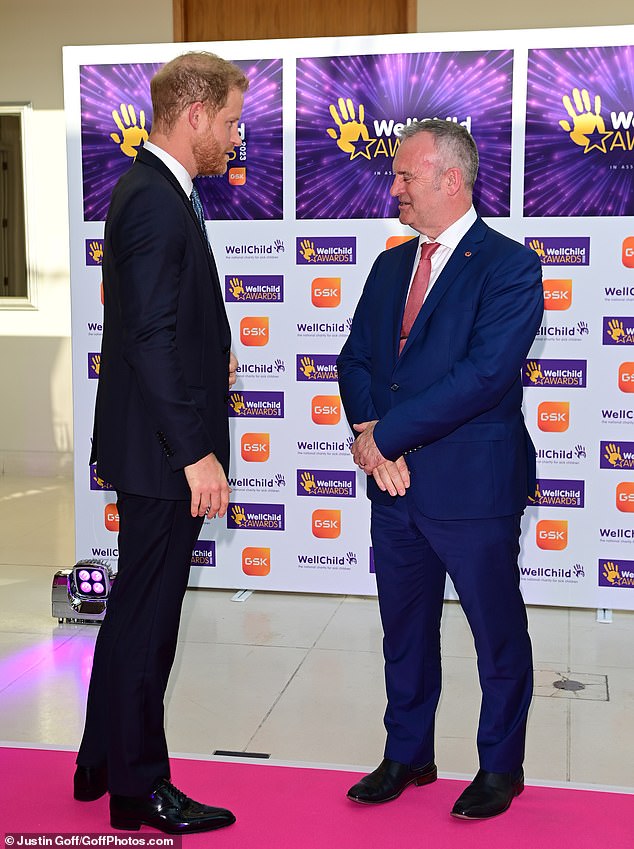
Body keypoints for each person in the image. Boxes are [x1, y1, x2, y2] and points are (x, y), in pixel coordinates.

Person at [337, 119, 543, 820]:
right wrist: (372, 437)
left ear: (450, 180)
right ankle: (408, 753)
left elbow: (482, 376)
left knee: (496, 632)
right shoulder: (391, 263)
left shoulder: (511, 266)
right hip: (393, 488)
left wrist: (384, 437)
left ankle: (500, 766)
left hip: (472, 489)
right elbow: (354, 360)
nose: (394, 186)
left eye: (405, 175)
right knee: (404, 629)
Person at [74, 52, 248, 835]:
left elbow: (167, 323)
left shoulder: (161, 192)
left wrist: (217, 348)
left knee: (133, 614)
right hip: (161, 453)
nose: (236, 138)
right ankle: (140, 791)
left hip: (152, 446)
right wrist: (195, 453)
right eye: (233, 121)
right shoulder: (152, 198)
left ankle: (99, 761)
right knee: (149, 624)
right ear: (196, 112)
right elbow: (146, 336)